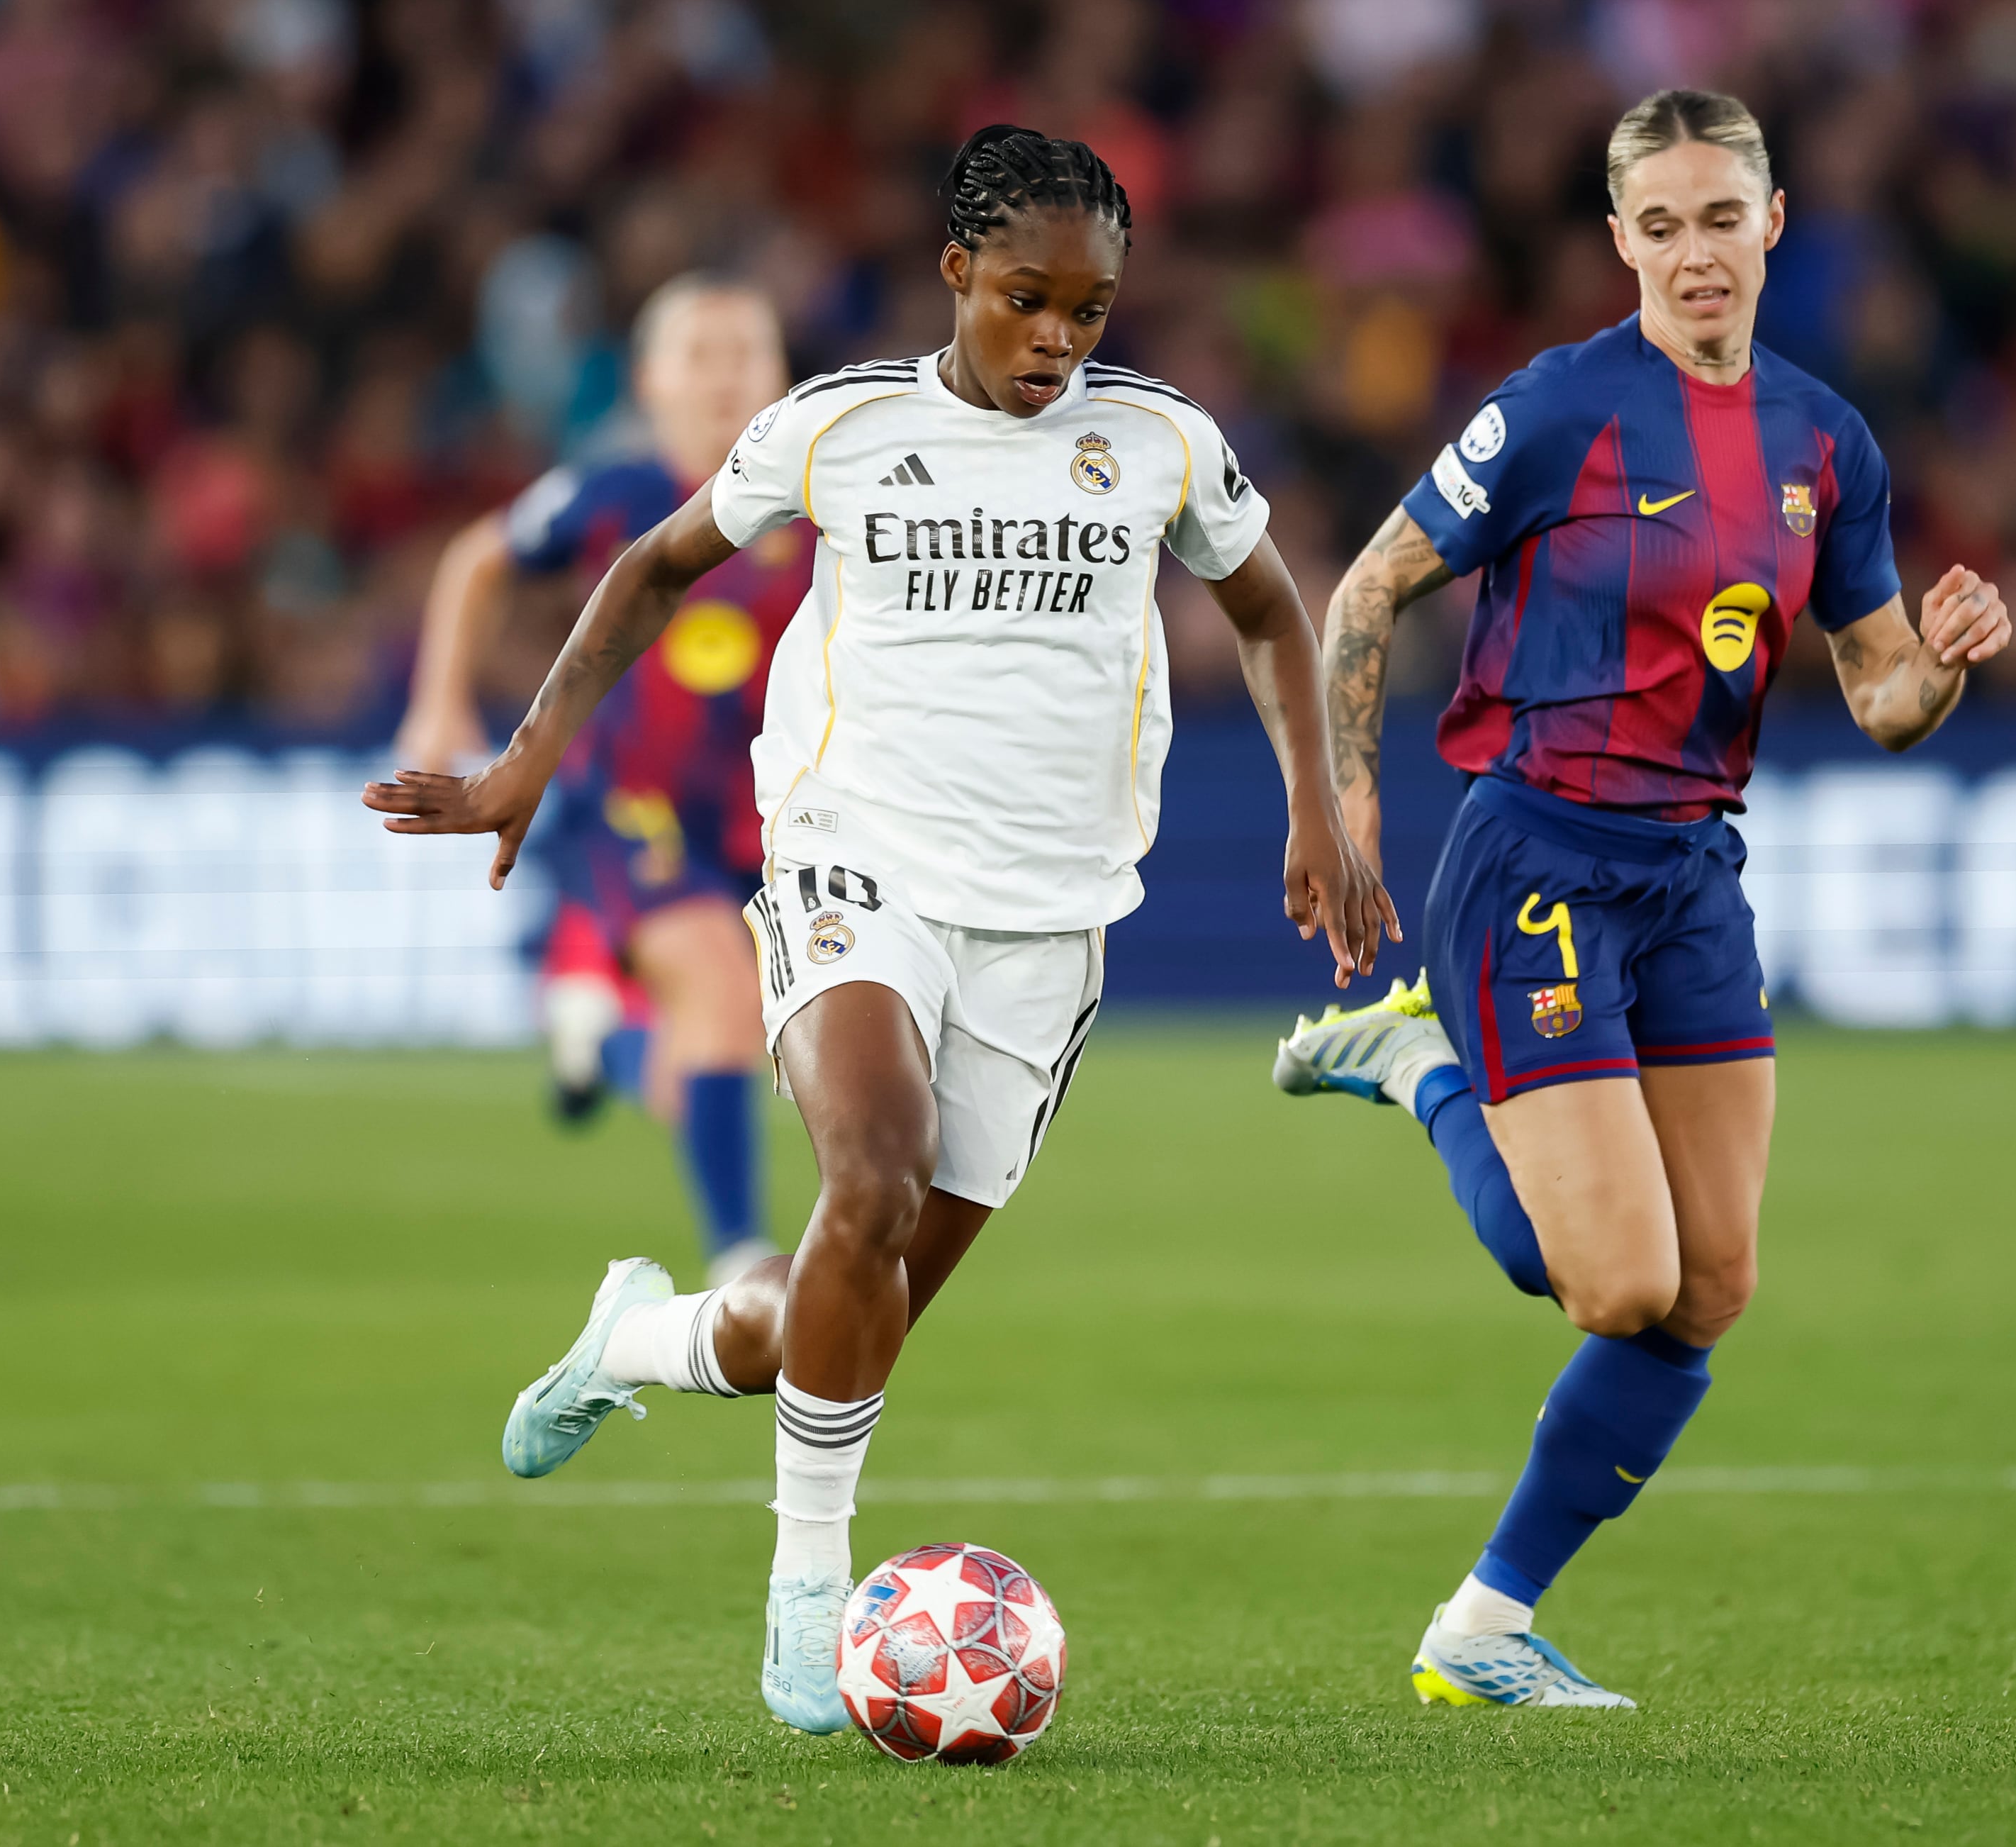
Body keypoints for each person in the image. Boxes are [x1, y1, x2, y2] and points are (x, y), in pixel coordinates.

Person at [364, 126, 1391, 1734]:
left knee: (845, 1304)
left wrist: (1316, 805)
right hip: (856, 863)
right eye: (1029, 300)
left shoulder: (1161, 446)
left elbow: (1265, 605)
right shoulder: (839, 426)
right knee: (869, 1172)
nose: (1059, 338)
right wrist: (521, 765)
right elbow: (649, 568)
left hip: (1048, 924)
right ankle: (802, 1600)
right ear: (956, 275)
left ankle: (638, 1334)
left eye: (1091, 311)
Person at [1272, 89, 2012, 1709]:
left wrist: (1940, 668)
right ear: (1617, 241)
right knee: (1606, 1282)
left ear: (1770, 223)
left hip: (1690, 869)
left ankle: (1482, 1626)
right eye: (1658, 225)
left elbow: (1879, 699)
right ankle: (1422, 1068)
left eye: (1717, 219)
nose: (1692, 253)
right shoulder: (1557, 410)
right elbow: (1370, 583)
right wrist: (1345, 799)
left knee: (1709, 1288)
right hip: (1535, 854)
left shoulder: (1826, 441)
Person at [395, 274, 805, 1285]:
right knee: (716, 986)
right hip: (626, 805)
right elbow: (476, 558)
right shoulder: (616, 494)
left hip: (769, 827)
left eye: (744, 353)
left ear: (785, 375)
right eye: (697, 356)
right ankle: (742, 1261)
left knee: (722, 1052)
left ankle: (602, 1039)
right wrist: (439, 703)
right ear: (649, 381)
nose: (723, 377)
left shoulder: (827, 507)